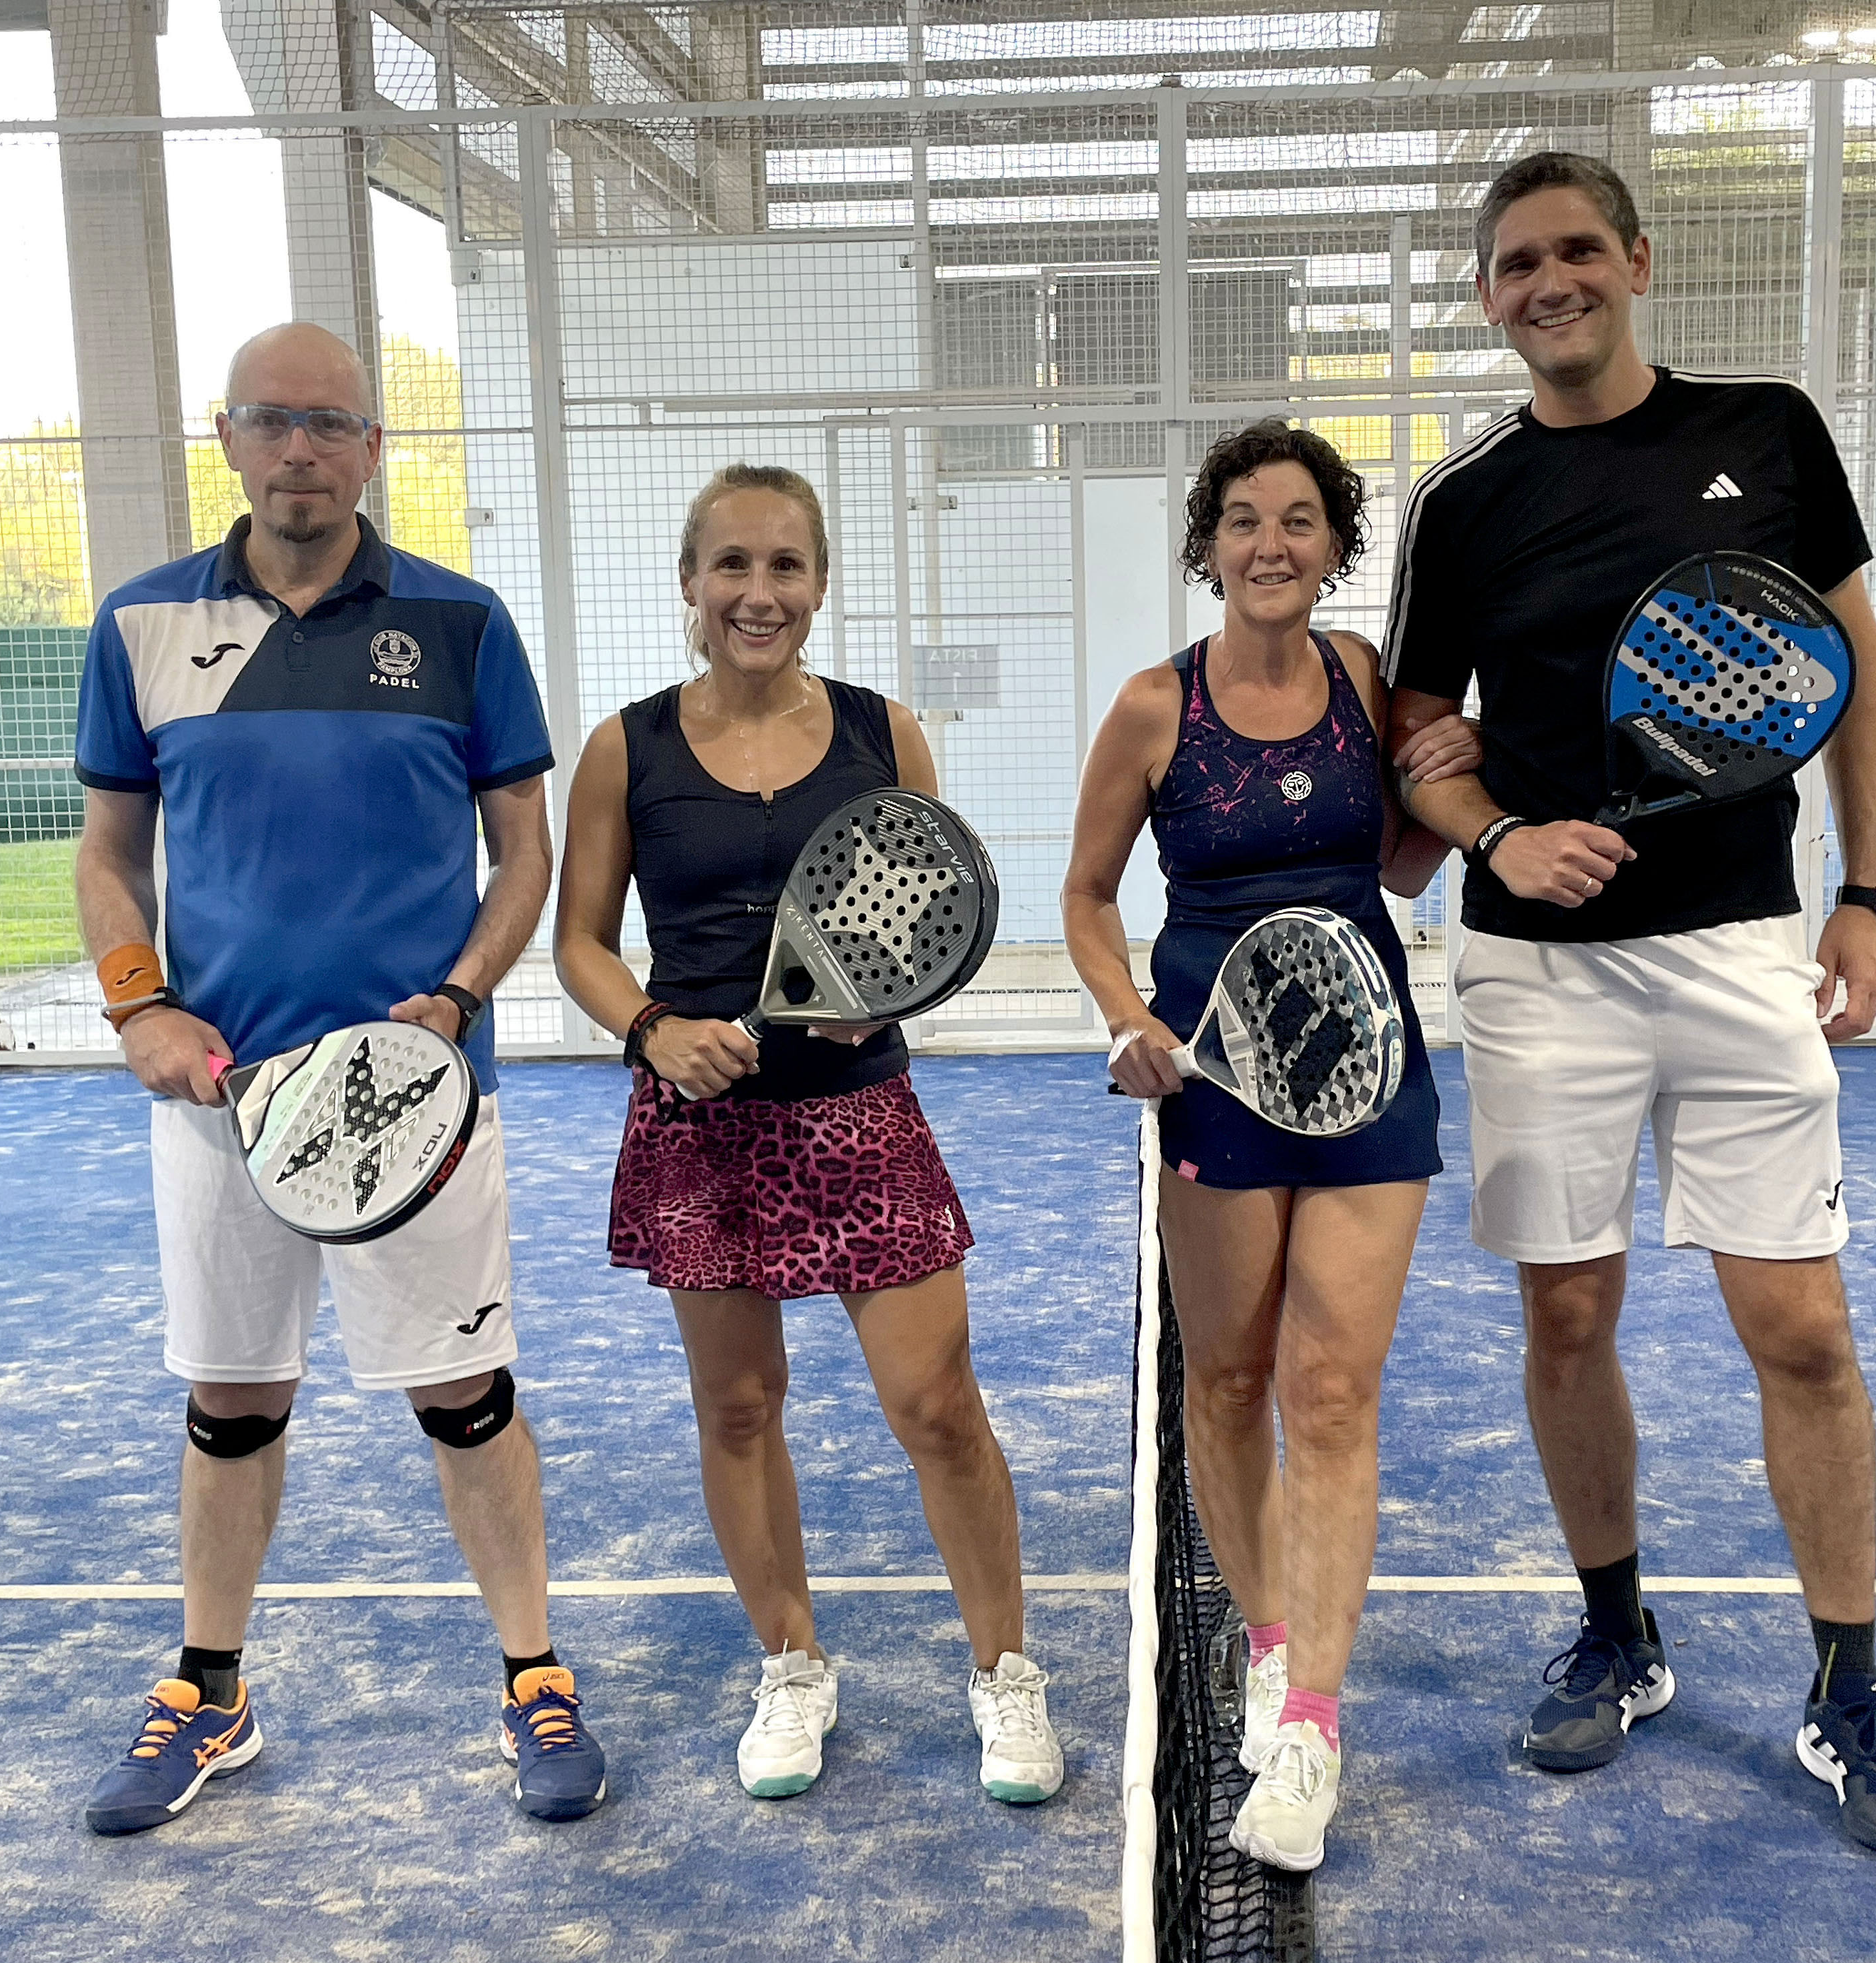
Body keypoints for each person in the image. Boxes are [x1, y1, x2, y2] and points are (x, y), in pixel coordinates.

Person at [1383, 152, 1876, 1861]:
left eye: (1575, 250)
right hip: (1537, 973)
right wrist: (1498, 834)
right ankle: (1614, 1633)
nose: (1547, 282)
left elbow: (1847, 667)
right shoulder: (1462, 501)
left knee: (1803, 1331)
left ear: (1635, 261)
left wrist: (1864, 893)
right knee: (1567, 1318)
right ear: (1487, 297)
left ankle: (1849, 1681)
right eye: (1514, 263)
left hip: (1738, 953)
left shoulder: (1767, 432)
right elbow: (1417, 732)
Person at [71, 323, 603, 1832]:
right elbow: (108, 855)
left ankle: (535, 1676)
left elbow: (524, 853)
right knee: (231, 1399)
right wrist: (139, 1008)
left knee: (464, 1393)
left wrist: (460, 996)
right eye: (270, 420)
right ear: (228, 439)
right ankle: (209, 1695)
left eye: (328, 423)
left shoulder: (461, 621)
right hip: (222, 1095)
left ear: (373, 448)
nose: (298, 448)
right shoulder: (140, 623)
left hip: (416, 1098)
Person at [553, 462, 1063, 1806]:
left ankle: (1005, 1673)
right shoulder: (624, 749)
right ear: (689, 582)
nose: (757, 592)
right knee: (737, 1407)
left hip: (858, 1116)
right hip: (699, 1129)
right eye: (731, 564)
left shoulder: (885, 732)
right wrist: (653, 1029)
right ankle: (791, 1665)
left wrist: (880, 1002)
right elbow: (580, 942)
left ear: (820, 584)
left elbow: (932, 909)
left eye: (785, 565)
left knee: (936, 1406)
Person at [1062, 420, 1480, 1871]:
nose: (1270, 545)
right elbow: (1085, 894)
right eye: (1243, 520)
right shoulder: (1150, 708)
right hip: (1214, 1072)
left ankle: (1310, 1721)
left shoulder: (1362, 679)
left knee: (1333, 1388)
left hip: (1365, 1064)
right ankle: (1266, 1635)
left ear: (1334, 546)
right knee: (1231, 1381)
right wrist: (1127, 1019)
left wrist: (1455, 783)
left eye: (1299, 520)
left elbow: (1396, 862)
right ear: (1208, 546)